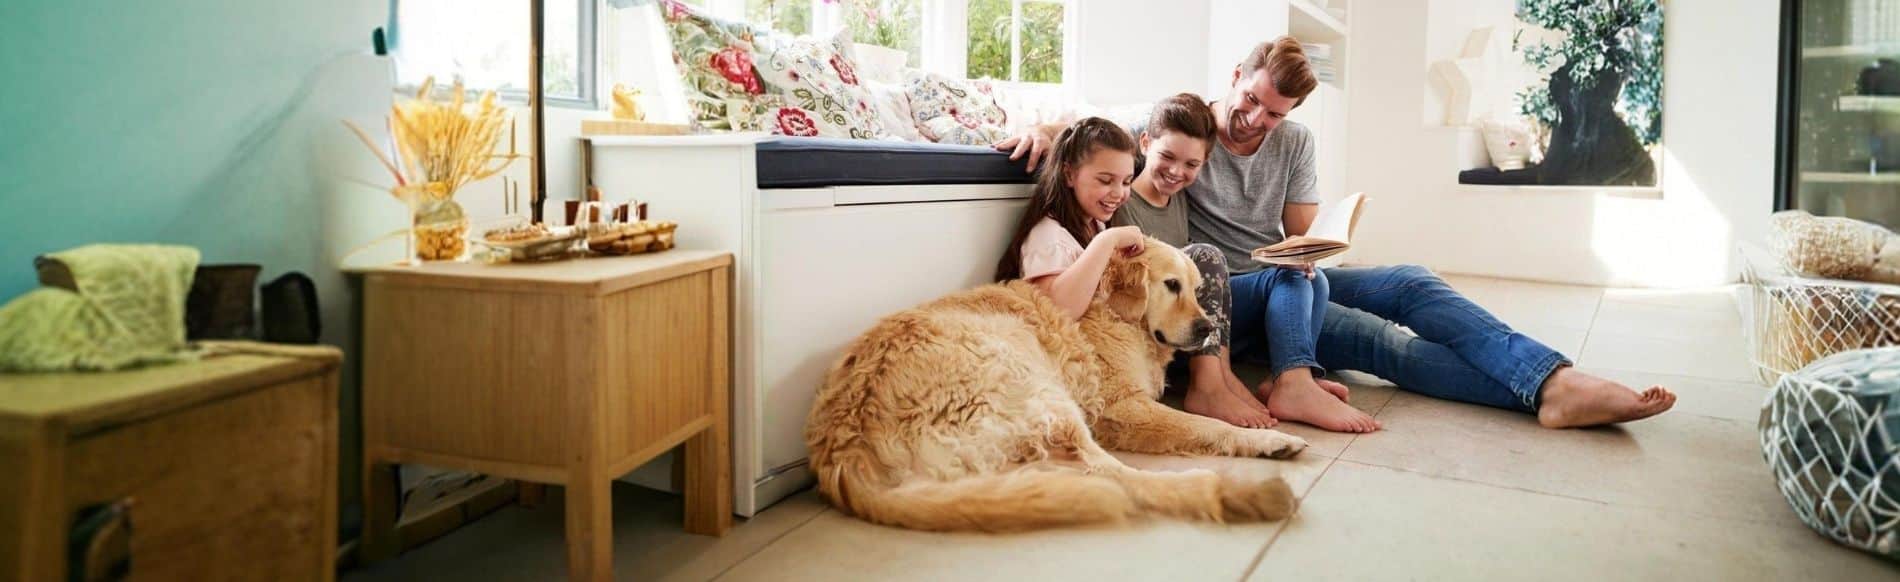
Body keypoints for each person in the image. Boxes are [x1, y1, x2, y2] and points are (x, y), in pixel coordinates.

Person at [995, 37, 1676, 431]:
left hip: (1279, 276)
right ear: (1235, 79)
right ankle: (1302, 377)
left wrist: (1318, 243)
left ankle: (1551, 382)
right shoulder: (1182, 126)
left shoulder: (1293, 142)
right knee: (1384, 345)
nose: (1255, 121)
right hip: (1232, 293)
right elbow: (1095, 134)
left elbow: (1300, 231)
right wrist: (1042, 131)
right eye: (1251, 101)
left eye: (1273, 113)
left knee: (1408, 281)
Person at [1108, 94, 1349, 430]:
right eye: (1167, 157)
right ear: (1145, 143)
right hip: (1160, 330)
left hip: (1195, 323)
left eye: (1191, 165)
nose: (1176, 171)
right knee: (1206, 256)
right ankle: (1209, 385)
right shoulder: (1123, 205)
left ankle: (1275, 378)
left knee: (1311, 278)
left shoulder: (1179, 196)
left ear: (1204, 164)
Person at [993, 117, 1148, 330]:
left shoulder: (1094, 223)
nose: (1119, 193)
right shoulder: (1049, 238)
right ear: (1069, 174)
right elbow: (1059, 312)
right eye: (1105, 180)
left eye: (1126, 181)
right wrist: (1107, 241)